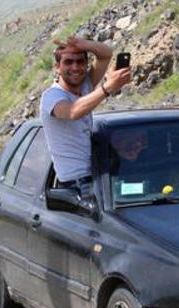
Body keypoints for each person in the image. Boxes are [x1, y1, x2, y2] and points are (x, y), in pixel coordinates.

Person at [40, 37, 130, 197]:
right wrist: (107, 88)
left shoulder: (86, 85)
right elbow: (73, 112)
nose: (75, 67)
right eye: (68, 62)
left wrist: (83, 44)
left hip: (98, 176)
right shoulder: (51, 96)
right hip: (75, 184)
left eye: (80, 62)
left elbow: (106, 54)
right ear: (57, 67)